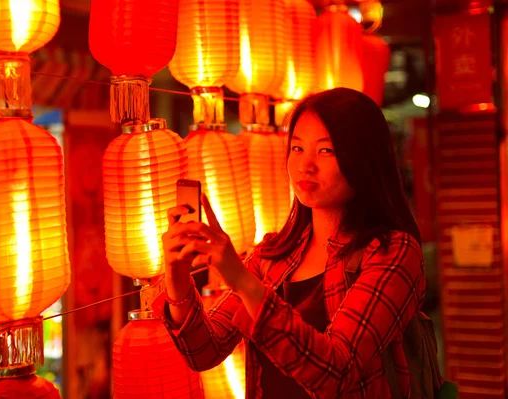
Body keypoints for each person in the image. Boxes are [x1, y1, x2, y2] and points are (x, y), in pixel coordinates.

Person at [153, 88, 426, 398]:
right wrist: (177, 278)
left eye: (326, 151)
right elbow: (203, 351)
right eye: (297, 148)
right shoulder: (275, 253)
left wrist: (241, 280)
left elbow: (337, 371)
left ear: (364, 158)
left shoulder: (392, 252)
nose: (304, 166)